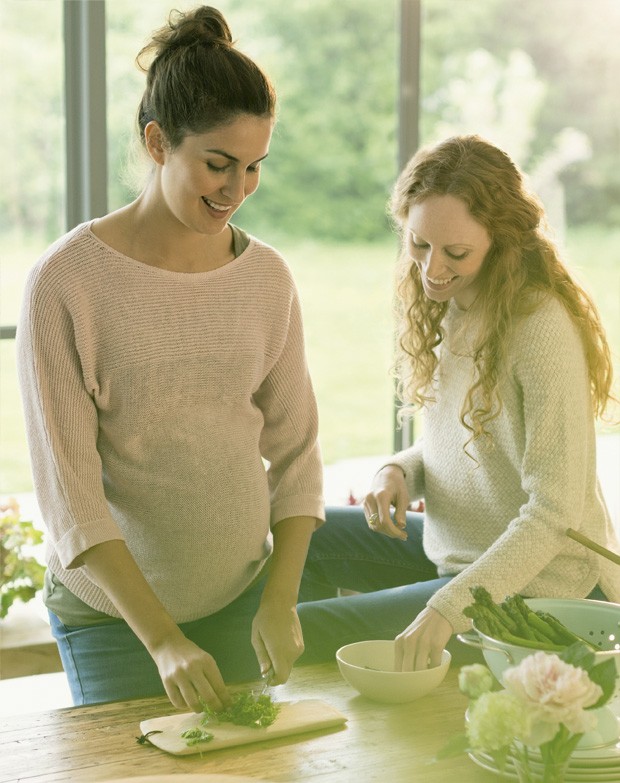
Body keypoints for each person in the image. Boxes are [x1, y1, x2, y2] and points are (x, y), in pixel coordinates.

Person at [17, 6, 324, 711]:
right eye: (217, 164)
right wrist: (161, 639)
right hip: (114, 618)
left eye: (253, 168)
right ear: (158, 143)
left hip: (240, 597)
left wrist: (279, 599)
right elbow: (71, 497)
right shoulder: (67, 283)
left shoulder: (267, 278)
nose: (236, 189)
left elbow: (298, 451)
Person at [296, 134, 620, 671]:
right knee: (299, 536)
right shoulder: (457, 305)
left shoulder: (538, 328)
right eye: (418, 245)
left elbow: (553, 511)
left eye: (456, 253)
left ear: (502, 240)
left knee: (301, 629)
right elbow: (472, 443)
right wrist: (398, 471)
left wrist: (445, 610)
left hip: (540, 590)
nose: (431, 270)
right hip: (465, 561)